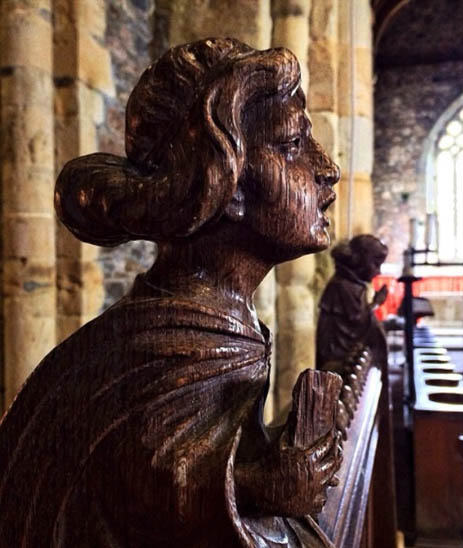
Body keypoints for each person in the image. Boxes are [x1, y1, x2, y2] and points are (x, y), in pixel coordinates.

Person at [0, 38, 341, 547]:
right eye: (292, 144)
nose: (327, 168)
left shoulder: (217, 321)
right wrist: (256, 485)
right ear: (228, 183)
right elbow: (140, 477)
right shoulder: (158, 342)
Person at [316, 234, 389, 372]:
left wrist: (375, 304)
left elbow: (359, 319)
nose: (378, 271)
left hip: (350, 361)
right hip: (337, 361)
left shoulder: (352, 285)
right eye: (376, 264)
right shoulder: (343, 286)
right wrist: (376, 303)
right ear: (362, 260)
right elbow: (358, 323)